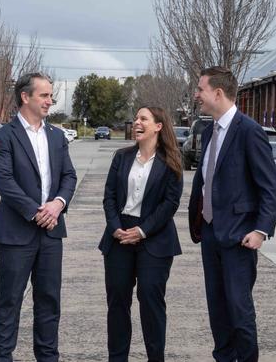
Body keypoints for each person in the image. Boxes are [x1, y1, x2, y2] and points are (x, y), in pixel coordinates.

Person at [187, 66, 276, 362]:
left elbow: (269, 187)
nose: (196, 94)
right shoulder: (208, 130)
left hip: (239, 236)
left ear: (218, 92)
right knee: (217, 310)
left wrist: (261, 230)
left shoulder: (249, 131)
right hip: (211, 232)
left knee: (239, 310)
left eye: (200, 89)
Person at [0, 72, 77, 362]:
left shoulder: (56, 136)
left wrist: (58, 204)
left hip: (52, 234)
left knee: (49, 303)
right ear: (25, 97)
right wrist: (37, 212)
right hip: (16, 234)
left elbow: (68, 175)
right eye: (44, 95)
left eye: (50, 95)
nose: (50, 101)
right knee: (9, 303)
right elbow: (4, 182)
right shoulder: (4, 137)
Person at [100, 106, 183, 362]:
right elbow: (109, 196)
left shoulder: (171, 161)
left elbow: (170, 203)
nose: (137, 122)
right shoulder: (121, 157)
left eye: (143, 119)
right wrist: (116, 228)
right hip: (118, 236)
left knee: (150, 301)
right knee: (117, 304)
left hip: (155, 239)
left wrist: (143, 231)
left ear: (158, 126)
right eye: (136, 118)